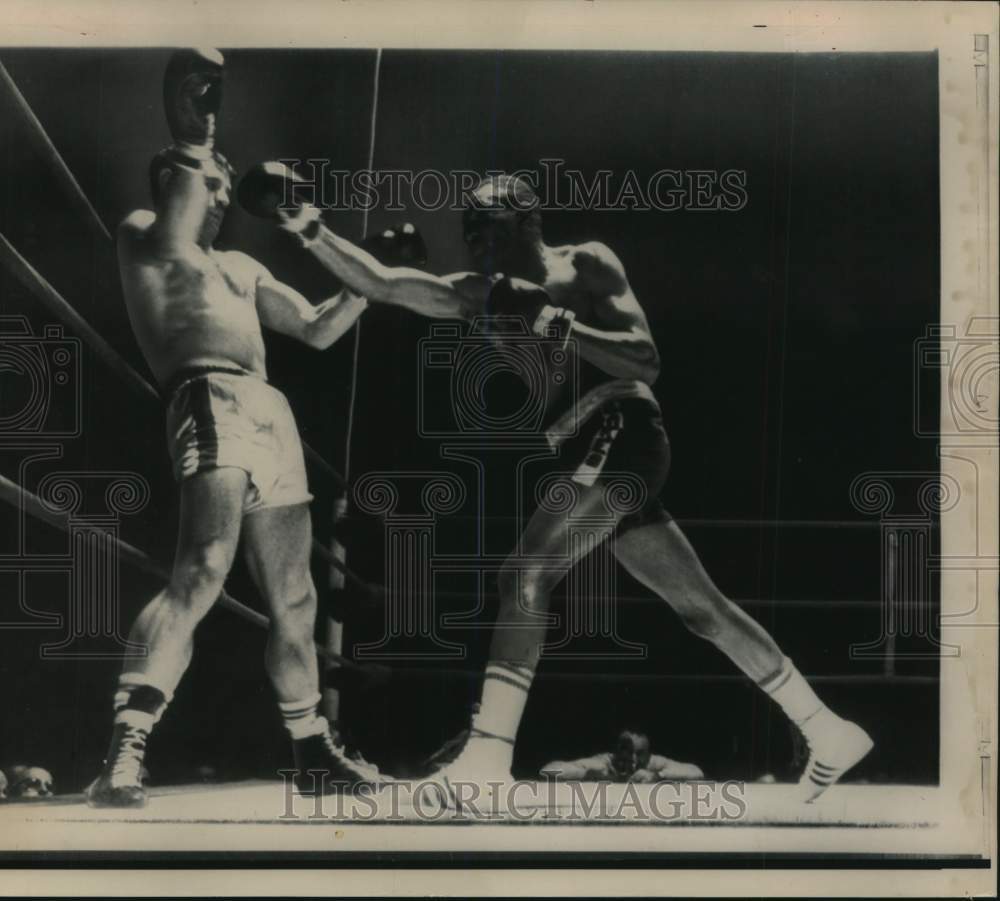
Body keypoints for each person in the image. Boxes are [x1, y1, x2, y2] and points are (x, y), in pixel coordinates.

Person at [237, 164, 873, 804]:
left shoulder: (585, 265)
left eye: (488, 227)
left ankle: (487, 754)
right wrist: (304, 223)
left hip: (618, 424)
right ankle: (828, 729)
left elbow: (645, 358)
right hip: (583, 449)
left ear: (528, 220)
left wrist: (557, 325)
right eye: (470, 231)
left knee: (526, 574)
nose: (475, 241)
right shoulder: (478, 290)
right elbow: (381, 281)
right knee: (700, 609)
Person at [83, 136, 380, 807]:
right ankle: (126, 745)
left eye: (224, 186)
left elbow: (315, 327)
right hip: (208, 393)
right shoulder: (145, 237)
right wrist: (198, 136)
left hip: (271, 409)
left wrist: (370, 281)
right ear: (173, 181)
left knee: (296, 596)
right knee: (203, 569)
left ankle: (312, 749)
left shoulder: (241, 264)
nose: (223, 198)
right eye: (212, 183)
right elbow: (183, 199)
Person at [541, 730, 704, 783]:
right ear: (617, 752)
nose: (633, 759)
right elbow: (548, 771)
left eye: (639, 754)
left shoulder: (653, 763)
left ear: (647, 754)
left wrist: (657, 776)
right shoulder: (605, 762)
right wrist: (586, 771)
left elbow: (696, 772)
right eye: (627, 752)